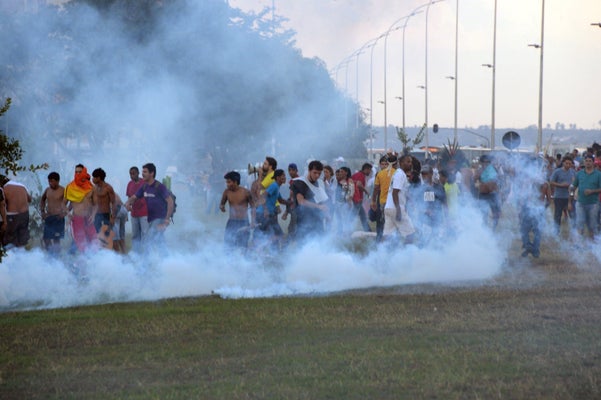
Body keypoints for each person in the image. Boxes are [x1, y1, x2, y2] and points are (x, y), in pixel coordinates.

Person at [125, 163, 175, 251]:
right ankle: (167, 260)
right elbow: (134, 197)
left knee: (149, 239)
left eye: (145, 172)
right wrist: (128, 203)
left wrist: (167, 219)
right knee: (159, 241)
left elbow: (170, 202)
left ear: (152, 173)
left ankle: (146, 262)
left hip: (160, 218)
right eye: (142, 171)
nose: (142, 174)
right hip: (150, 219)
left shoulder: (159, 186)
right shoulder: (144, 186)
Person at [291, 160, 329, 241]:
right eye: (315, 172)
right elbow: (301, 201)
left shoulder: (320, 183)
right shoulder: (300, 182)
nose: (317, 175)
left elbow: (322, 201)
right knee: (305, 245)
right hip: (304, 220)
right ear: (309, 170)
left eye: (319, 173)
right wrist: (318, 206)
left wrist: (326, 214)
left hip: (318, 220)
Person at [383, 154, 415, 243]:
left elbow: (401, 192)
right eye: (408, 162)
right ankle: (406, 255)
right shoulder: (400, 174)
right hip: (396, 208)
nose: (410, 164)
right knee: (410, 234)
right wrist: (399, 210)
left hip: (388, 208)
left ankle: (379, 254)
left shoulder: (398, 173)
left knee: (387, 236)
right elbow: (395, 192)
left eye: (411, 162)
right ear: (401, 163)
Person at [64, 164, 96, 252]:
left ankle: (94, 262)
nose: (77, 174)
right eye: (76, 172)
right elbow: (63, 204)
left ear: (84, 172)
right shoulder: (70, 187)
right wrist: (68, 213)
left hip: (89, 219)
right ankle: (83, 262)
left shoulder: (91, 187)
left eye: (80, 172)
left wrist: (93, 215)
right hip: (77, 219)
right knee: (81, 243)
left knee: (94, 243)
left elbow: (95, 204)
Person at [219, 171, 255, 250]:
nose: (227, 184)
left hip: (243, 222)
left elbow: (253, 207)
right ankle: (229, 261)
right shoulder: (226, 192)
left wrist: (252, 221)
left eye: (229, 182)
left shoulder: (246, 192)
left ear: (235, 182)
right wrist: (222, 207)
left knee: (243, 245)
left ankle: (244, 261)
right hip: (232, 222)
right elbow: (222, 203)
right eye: (226, 182)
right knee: (228, 244)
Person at [569, 154, 601, 240]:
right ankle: (579, 243)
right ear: (584, 162)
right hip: (580, 203)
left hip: (593, 203)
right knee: (580, 223)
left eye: (590, 161)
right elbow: (573, 187)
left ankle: (592, 243)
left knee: (592, 224)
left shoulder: (598, 174)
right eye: (586, 161)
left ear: (593, 162)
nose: (588, 163)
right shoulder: (579, 173)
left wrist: (592, 191)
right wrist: (571, 195)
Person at [414, 165, 447, 246]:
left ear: (431, 174)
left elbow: (445, 204)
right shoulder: (421, 189)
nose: (424, 176)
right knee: (424, 242)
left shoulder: (439, 188)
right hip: (425, 220)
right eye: (423, 174)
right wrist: (425, 211)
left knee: (436, 241)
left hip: (437, 219)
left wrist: (447, 218)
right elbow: (417, 205)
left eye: (426, 174)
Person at [255, 169, 286, 249]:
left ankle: (274, 252)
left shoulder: (277, 187)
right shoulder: (274, 186)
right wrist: (265, 210)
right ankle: (256, 251)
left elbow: (280, 200)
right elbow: (263, 195)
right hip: (263, 214)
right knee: (266, 234)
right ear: (278, 177)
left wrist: (290, 203)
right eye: (283, 176)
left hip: (269, 215)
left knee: (274, 234)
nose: (285, 177)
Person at [1, 176, 32, 248]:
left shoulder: (4, 188)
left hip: (12, 215)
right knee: (22, 238)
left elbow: (2, 203)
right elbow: (29, 199)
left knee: (10, 239)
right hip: (24, 214)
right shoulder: (22, 186)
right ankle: (22, 256)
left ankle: (12, 257)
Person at [39, 171, 66, 254]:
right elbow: (42, 200)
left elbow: (71, 202)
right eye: (49, 181)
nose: (50, 183)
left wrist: (64, 213)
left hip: (58, 218)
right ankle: (51, 255)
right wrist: (43, 211)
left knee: (56, 239)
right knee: (46, 239)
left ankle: (57, 258)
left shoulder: (63, 190)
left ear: (57, 181)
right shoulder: (47, 190)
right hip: (49, 217)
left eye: (52, 181)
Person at [549, 156, 576, 235]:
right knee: (558, 215)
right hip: (559, 196)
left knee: (572, 215)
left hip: (569, 197)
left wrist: (572, 188)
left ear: (571, 164)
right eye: (566, 163)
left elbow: (574, 185)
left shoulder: (573, 172)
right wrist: (561, 185)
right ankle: (556, 231)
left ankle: (574, 232)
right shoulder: (557, 171)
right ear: (563, 163)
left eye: (569, 163)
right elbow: (551, 182)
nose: (568, 165)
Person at [371, 155, 395, 242]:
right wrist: (374, 200)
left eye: (386, 164)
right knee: (380, 221)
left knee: (387, 222)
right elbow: (376, 188)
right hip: (381, 199)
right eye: (382, 164)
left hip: (389, 200)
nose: (384, 166)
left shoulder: (394, 173)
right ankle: (380, 239)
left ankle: (386, 240)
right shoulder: (379, 174)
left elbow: (376, 188)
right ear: (380, 165)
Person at [474, 154, 501, 229]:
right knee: (483, 214)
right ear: (481, 163)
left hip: (493, 194)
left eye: (487, 162)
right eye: (484, 162)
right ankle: (485, 229)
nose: (486, 164)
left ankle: (494, 228)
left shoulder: (494, 169)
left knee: (496, 213)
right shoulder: (479, 171)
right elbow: (474, 180)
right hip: (483, 195)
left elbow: (498, 181)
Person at [126, 166, 148, 252]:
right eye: (130, 174)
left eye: (133, 173)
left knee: (145, 234)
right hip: (134, 213)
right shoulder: (129, 184)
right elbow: (129, 197)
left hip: (144, 212)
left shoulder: (144, 183)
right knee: (135, 235)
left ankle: (146, 253)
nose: (132, 175)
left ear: (138, 173)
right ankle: (136, 253)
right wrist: (128, 206)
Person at [90, 168, 119, 233]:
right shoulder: (94, 188)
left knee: (106, 235)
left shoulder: (108, 188)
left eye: (94, 177)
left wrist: (113, 217)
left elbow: (114, 203)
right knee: (97, 234)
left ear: (99, 178)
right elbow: (92, 202)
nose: (92, 179)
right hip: (97, 215)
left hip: (106, 214)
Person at [351, 163, 373, 232]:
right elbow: (358, 185)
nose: (370, 172)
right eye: (370, 170)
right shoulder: (361, 175)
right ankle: (347, 228)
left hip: (356, 198)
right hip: (357, 199)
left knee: (362, 215)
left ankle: (367, 230)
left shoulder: (357, 174)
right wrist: (366, 192)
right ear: (366, 169)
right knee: (354, 215)